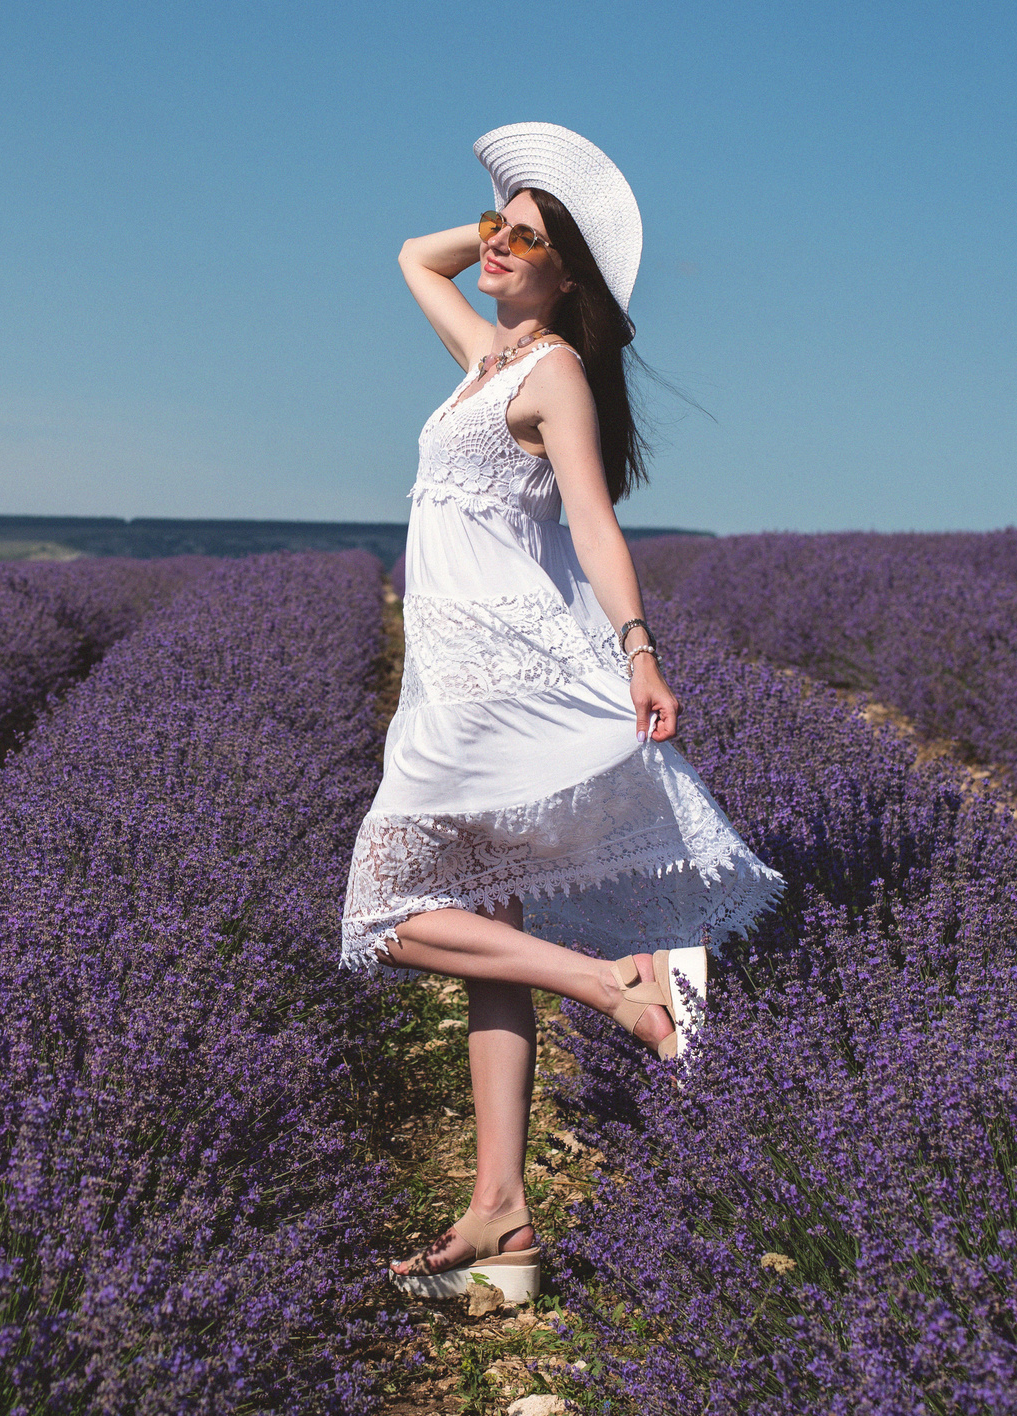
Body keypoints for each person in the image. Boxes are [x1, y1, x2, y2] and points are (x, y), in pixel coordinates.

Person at [345, 122, 785, 1301]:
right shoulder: (484, 361)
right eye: (496, 230)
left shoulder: (553, 377)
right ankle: (501, 1216)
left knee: (386, 916)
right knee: (487, 934)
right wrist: (510, 209)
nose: (493, 248)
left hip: (503, 677)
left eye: (523, 241)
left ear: (570, 273)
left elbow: (593, 522)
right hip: (447, 676)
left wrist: (640, 649)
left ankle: (608, 987)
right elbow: (409, 256)